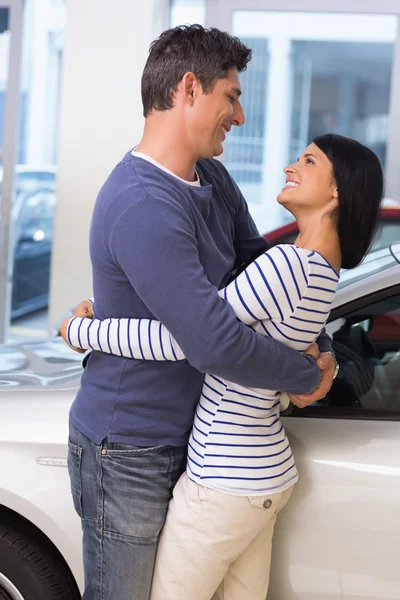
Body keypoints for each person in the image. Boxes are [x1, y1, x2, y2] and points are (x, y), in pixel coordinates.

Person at [64, 24, 337, 600]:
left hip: (197, 445)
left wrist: (321, 345)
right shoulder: (142, 203)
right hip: (130, 449)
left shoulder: (210, 177)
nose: (238, 117)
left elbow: (265, 274)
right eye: (231, 97)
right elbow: (212, 340)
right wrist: (304, 376)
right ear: (190, 89)